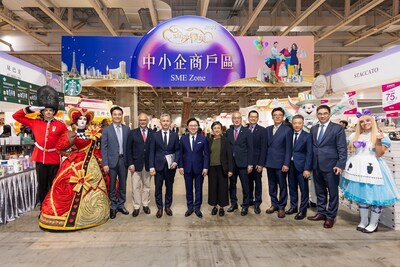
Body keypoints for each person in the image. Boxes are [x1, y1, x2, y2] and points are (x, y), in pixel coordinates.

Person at [39, 108, 110, 230]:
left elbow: (98, 147)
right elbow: (59, 149)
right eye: (80, 119)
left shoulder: (93, 132)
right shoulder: (71, 134)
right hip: (76, 164)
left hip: (91, 163)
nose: (82, 121)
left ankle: (94, 213)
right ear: (75, 122)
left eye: (84, 119)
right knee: (66, 188)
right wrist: (70, 155)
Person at [340, 110, 400, 233]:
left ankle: (373, 223)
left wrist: (378, 140)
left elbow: (379, 153)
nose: (365, 123)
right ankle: (363, 221)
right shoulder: (353, 136)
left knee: (374, 196)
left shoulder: (381, 136)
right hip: (357, 169)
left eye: (367, 120)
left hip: (373, 168)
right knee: (362, 196)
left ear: (373, 121)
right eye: (361, 121)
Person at [12, 103, 67, 205]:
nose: (48, 112)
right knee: (41, 185)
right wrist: (29, 109)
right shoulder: (35, 122)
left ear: (54, 112)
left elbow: (66, 140)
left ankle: (53, 207)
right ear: (42, 112)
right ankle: (44, 208)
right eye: (46, 110)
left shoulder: (61, 125)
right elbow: (16, 116)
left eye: (50, 110)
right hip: (40, 157)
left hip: (54, 157)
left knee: (53, 185)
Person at [307, 105, 347, 229]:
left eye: (325, 113)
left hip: (331, 166)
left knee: (333, 193)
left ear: (329, 114)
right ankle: (321, 212)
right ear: (317, 115)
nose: (322, 116)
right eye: (320, 113)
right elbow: (313, 147)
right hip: (316, 165)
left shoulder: (337, 128)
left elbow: (342, 148)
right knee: (320, 191)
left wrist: (340, 165)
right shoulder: (313, 129)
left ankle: (330, 217)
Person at [101, 106, 131, 219]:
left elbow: (129, 147)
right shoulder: (106, 130)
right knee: (112, 185)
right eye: (115, 114)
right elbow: (103, 148)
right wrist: (105, 163)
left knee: (123, 185)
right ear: (112, 116)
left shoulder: (127, 129)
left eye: (119, 114)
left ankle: (121, 205)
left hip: (124, 161)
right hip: (111, 162)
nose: (117, 116)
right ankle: (113, 206)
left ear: (122, 116)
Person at [149, 114, 180, 218]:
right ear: (160, 123)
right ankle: (159, 208)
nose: (165, 123)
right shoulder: (155, 135)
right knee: (158, 188)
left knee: (169, 187)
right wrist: (151, 166)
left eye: (167, 121)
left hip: (170, 167)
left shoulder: (174, 135)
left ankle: (167, 206)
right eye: (163, 121)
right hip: (158, 167)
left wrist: (176, 161)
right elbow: (151, 151)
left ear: (170, 122)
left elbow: (177, 150)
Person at [264, 107, 293, 218]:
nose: (277, 117)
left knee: (282, 186)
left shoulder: (287, 130)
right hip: (269, 162)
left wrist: (286, 163)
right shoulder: (267, 129)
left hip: (281, 164)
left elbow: (288, 149)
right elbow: (265, 147)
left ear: (283, 117)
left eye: (279, 115)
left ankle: (281, 207)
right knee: (271, 185)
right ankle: (274, 204)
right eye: (275, 115)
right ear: (272, 117)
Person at [179, 118, 209, 218]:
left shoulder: (203, 138)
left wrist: (205, 167)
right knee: (188, 189)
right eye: (191, 126)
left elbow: (207, 154)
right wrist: (181, 166)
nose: (193, 127)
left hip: (199, 169)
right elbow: (180, 154)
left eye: (195, 126)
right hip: (187, 168)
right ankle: (190, 208)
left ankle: (197, 208)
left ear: (198, 127)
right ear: (187, 127)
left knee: (198, 189)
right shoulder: (183, 139)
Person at [226, 111, 253, 216]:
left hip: (243, 164)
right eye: (234, 118)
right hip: (231, 164)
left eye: (238, 118)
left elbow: (250, 149)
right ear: (232, 120)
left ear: (241, 119)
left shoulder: (247, 132)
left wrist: (250, 164)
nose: (236, 120)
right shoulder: (228, 132)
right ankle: (234, 203)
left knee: (245, 186)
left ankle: (245, 205)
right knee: (232, 185)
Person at [127, 113, 154, 217]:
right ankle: (137, 206)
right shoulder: (132, 133)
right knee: (135, 187)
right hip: (135, 164)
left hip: (148, 164)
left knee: (147, 186)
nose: (143, 122)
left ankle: (146, 204)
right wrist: (130, 163)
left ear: (147, 121)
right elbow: (128, 149)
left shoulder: (152, 133)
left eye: (144, 120)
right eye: (141, 120)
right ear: (138, 121)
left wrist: (153, 164)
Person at [287, 115, 312, 220]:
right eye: (295, 123)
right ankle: (293, 207)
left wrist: (307, 169)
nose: (297, 125)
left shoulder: (307, 136)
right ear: (292, 124)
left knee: (304, 190)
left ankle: (303, 210)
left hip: (302, 167)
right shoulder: (289, 135)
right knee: (292, 188)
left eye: (299, 123)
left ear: (303, 124)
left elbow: (309, 153)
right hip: (290, 165)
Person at [207, 121, 233, 217]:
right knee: (213, 188)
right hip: (212, 168)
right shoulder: (209, 141)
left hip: (223, 168)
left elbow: (229, 155)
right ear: (212, 130)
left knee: (223, 188)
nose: (217, 130)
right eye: (215, 128)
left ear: (221, 129)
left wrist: (230, 169)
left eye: (218, 128)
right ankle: (214, 206)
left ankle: (222, 207)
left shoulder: (225, 140)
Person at [247, 110, 265, 214]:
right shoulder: (244, 130)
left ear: (257, 118)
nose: (253, 118)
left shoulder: (262, 130)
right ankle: (249, 200)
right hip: (247, 163)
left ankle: (257, 203)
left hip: (257, 163)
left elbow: (263, 148)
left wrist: (261, 163)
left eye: (255, 117)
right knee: (248, 183)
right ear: (248, 118)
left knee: (258, 183)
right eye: (251, 116)